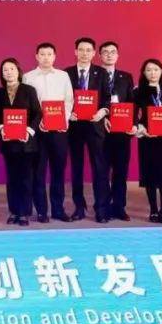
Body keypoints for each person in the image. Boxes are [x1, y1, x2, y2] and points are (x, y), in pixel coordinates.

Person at [22, 42, 74, 222]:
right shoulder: (28, 77)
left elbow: (69, 100)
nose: (46, 57)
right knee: (38, 172)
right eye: (42, 54)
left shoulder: (63, 76)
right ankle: (41, 211)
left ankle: (58, 209)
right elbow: (26, 104)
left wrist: (62, 119)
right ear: (36, 56)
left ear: (54, 56)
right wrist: (38, 122)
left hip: (59, 130)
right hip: (38, 131)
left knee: (58, 171)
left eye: (49, 54)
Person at [64, 37, 111, 223]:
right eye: (81, 50)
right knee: (76, 168)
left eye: (88, 50)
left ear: (93, 53)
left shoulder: (102, 73)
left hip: (95, 126)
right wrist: (68, 113)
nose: (84, 53)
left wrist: (103, 111)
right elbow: (63, 98)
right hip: (75, 126)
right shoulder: (66, 73)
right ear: (75, 52)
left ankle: (101, 208)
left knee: (99, 168)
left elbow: (107, 98)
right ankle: (79, 207)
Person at [132, 59, 162, 224]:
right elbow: (133, 115)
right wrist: (141, 129)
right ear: (144, 73)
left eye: (155, 69)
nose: (152, 73)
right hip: (148, 139)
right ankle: (153, 210)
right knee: (150, 175)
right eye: (148, 70)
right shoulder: (138, 92)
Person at [0, 58, 40, 226]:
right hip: (8, 142)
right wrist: (1, 128)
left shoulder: (29, 90)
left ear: (18, 71)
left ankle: (24, 212)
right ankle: (13, 211)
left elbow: (37, 113)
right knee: (12, 178)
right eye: (5, 70)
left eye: (12, 69)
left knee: (26, 178)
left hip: (26, 142)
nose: (9, 72)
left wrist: (29, 131)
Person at [99, 41, 136, 221]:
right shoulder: (94, 75)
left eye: (113, 52)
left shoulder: (126, 77)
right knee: (102, 171)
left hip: (122, 131)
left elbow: (132, 103)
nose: (109, 55)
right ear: (100, 55)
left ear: (117, 55)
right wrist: (102, 118)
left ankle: (119, 207)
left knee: (120, 171)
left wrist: (133, 124)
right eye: (105, 52)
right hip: (101, 130)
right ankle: (103, 207)